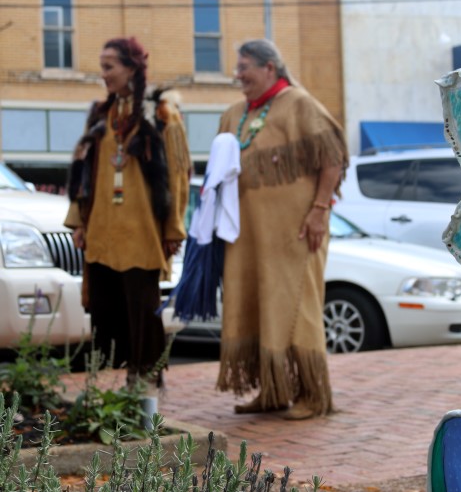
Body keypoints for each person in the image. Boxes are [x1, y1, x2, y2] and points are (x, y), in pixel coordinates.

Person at [216, 39, 348, 420]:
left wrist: (320, 209)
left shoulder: (299, 104)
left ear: (270, 68)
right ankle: (273, 389)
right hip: (248, 236)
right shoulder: (235, 113)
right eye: (237, 68)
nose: (238, 75)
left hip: (296, 232)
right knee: (257, 307)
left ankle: (312, 394)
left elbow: (333, 158)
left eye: (245, 67)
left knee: (297, 309)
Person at [65, 37, 191, 390]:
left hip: (142, 228)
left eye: (109, 66)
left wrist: (173, 228)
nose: (103, 74)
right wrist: (79, 221)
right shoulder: (101, 114)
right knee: (106, 305)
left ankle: (146, 377)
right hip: (103, 226)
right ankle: (114, 377)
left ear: (131, 68)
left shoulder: (161, 111)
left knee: (141, 303)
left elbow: (178, 175)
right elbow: (83, 171)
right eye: (102, 66)